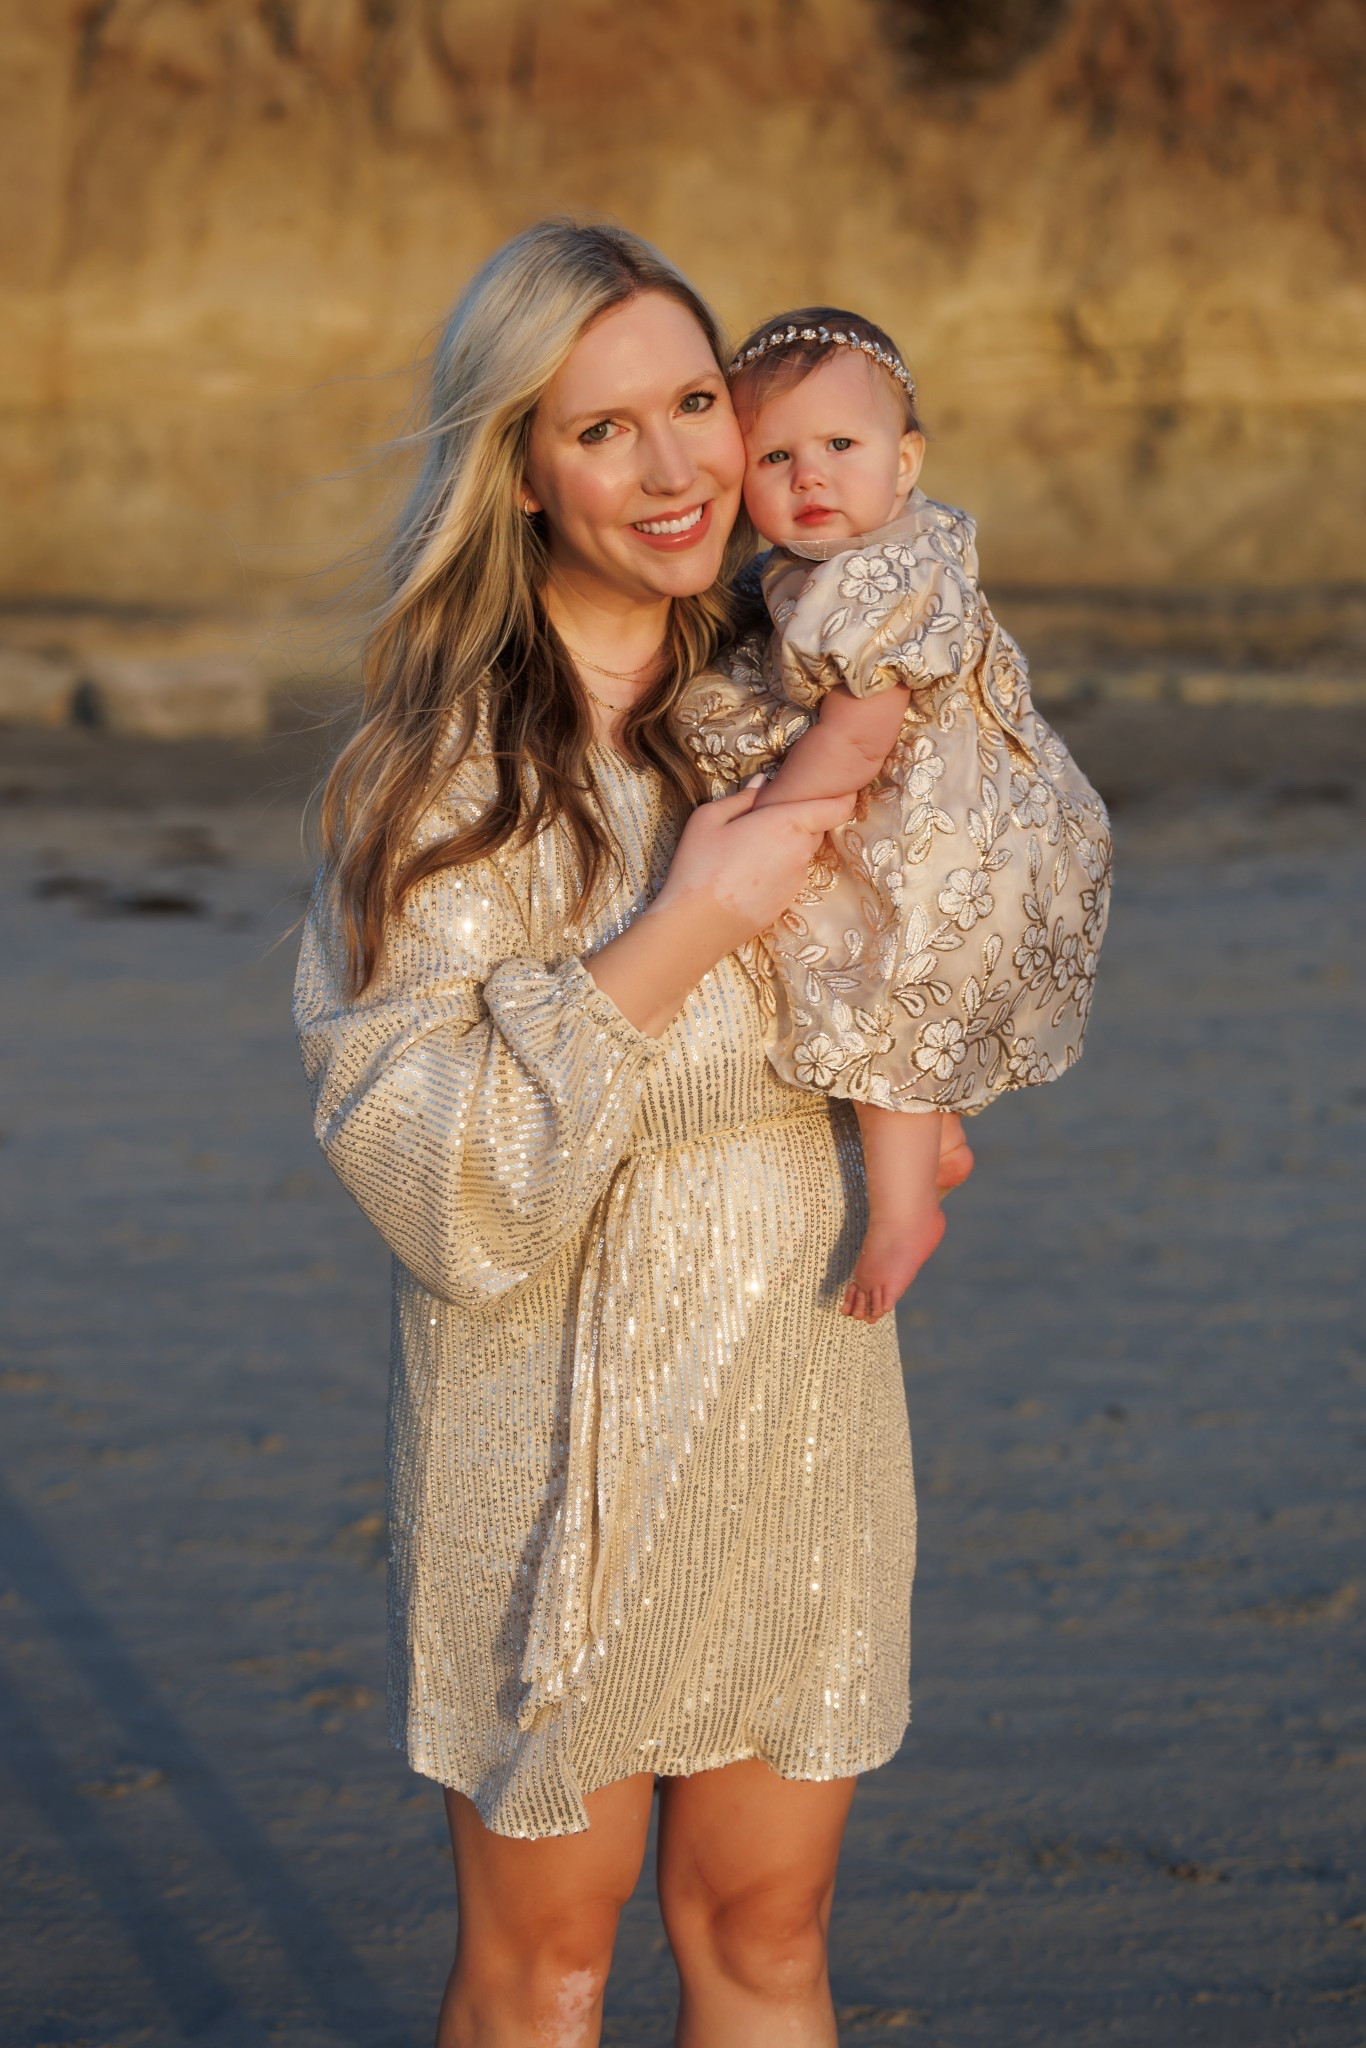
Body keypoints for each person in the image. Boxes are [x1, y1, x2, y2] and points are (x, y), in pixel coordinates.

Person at [294, 225, 965, 2048]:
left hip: (799, 1376)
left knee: (768, 1923)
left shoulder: (797, 690)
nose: (679, 472)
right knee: (552, 1966)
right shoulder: (433, 776)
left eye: (694, 405)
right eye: (605, 431)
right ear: (517, 463)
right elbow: (442, 1184)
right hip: (545, 1428)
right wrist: (694, 912)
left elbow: (954, 923)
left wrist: (918, 1087)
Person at [677, 309, 1112, 1324]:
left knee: (881, 987)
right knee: (917, 1002)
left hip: (945, 843)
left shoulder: (875, 582)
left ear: (904, 460)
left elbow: (861, 737)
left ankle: (903, 1210)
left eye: (840, 446)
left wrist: (778, 812)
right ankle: (940, 1131)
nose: (809, 476)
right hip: (986, 823)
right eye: (774, 455)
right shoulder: (868, 552)